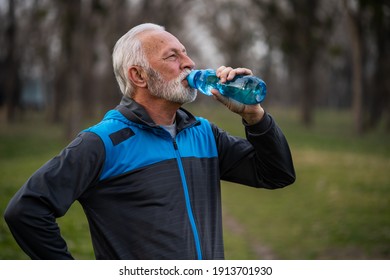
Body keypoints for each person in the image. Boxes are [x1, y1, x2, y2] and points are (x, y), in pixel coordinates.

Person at [4, 23, 295, 260]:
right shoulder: (102, 142)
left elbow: (276, 174)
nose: (189, 63)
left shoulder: (204, 133)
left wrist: (254, 116)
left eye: (185, 53)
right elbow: (26, 212)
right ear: (139, 75)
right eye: (172, 57)